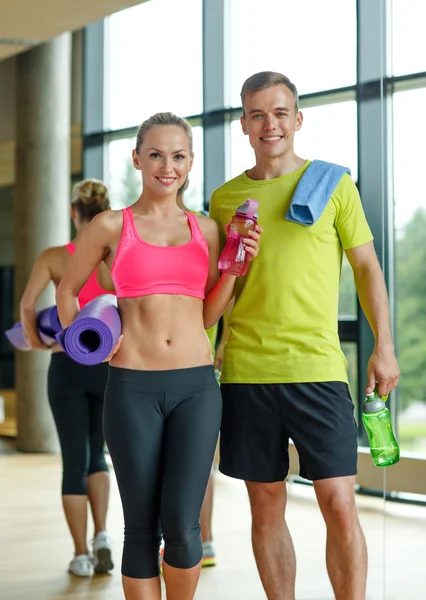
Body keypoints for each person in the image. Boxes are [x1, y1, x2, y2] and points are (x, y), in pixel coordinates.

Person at [209, 71, 400, 600]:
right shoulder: (225, 200)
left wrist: (384, 345)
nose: (269, 124)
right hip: (247, 371)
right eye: (257, 114)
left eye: (279, 113)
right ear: (243, 124)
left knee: (339, 502)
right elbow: (214, 292)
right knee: (265, 505)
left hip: (317, 370)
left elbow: (367, 268)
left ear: (298, 119)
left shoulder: (333, 184)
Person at [56, 112, 261, 600]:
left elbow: (209, 316)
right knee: (142, 527)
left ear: (189, 163)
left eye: (178, 156)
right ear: (137, 158)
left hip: (195, 389)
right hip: (131, 389)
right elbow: (67, 293)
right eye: (155, 155)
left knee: (184, 525)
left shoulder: (207, 230)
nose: (167, 167)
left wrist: (235, 267)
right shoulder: (110, 226)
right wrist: (84, 350)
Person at [19, 179, 116, 577]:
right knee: (99, 456)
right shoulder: (111, 258)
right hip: (109, 365)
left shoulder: (56, 256)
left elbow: (28, 306)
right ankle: (104, 535)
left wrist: (37, 343)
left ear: (74, 212)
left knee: (73, 460)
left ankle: (80, 555)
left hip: (67, 365)